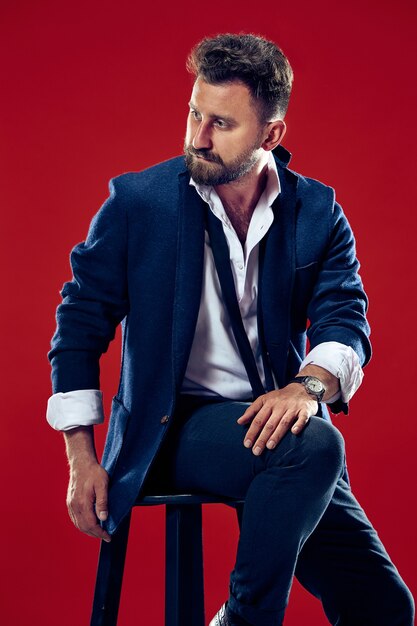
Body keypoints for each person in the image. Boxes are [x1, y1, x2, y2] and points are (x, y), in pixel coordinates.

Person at [47, 33, 414, 626]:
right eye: (194, 113)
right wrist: (80, 456)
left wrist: (310, 386)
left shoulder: (316, 212)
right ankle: (243, 620)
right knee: (315, 444)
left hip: (280, 424)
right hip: (173, 428)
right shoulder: (139, 203)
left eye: (221, 123)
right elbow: (79, 323)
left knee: (387, 608)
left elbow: (345, 316)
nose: (197, 136)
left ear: (271, 135)